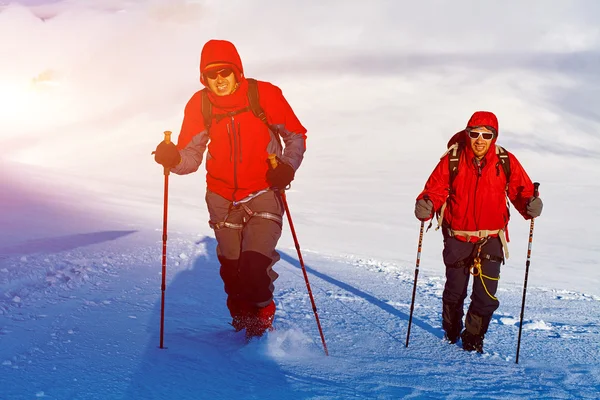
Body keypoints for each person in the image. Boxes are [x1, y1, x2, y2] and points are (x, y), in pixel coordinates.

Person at [153, 39, 307, 339]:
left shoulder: (263, 95)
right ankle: (242, 323)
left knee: (253, 268)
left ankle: (261, 328)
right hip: (222, 197)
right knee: (232, 273)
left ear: (237, 71)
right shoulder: (200, 105)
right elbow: (191, 157)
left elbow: (296, 136)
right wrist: (172, 158)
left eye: (225, 71)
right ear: (203, 77)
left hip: (263, 192)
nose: (219, 79)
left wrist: (287, 167)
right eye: (211, 74)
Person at [414, 111, 543, 353]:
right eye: (475, 134)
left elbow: (520, 190)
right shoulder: (452, 159)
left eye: (487, 134)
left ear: (494, 136)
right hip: (457, 236)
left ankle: (473, 338)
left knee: (485, 296)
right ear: (467, 134)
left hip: (492, 237)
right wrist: (427, 203)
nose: (480, 139)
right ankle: (451, 332)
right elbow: (436, 188)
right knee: (455, 291)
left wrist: (529, 204)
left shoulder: (505, 160)